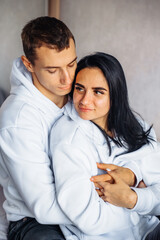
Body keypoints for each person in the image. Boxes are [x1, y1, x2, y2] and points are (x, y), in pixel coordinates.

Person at [50, 52, 160, 240]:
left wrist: (131, 197)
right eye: (79, 88)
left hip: (149, 230)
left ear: (115, 95)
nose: (84, 100)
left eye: (98, 92)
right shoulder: (68, 139)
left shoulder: (137, 126)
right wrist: (140, 199)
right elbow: (88, 218)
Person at [0, 16, 77, 240]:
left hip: (84, 205)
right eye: (53, 70)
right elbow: (44, 206)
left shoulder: (80, 94)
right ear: (28, 64)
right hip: (35, 222)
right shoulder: (17, 120)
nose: (67, 78)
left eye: (71, 64)